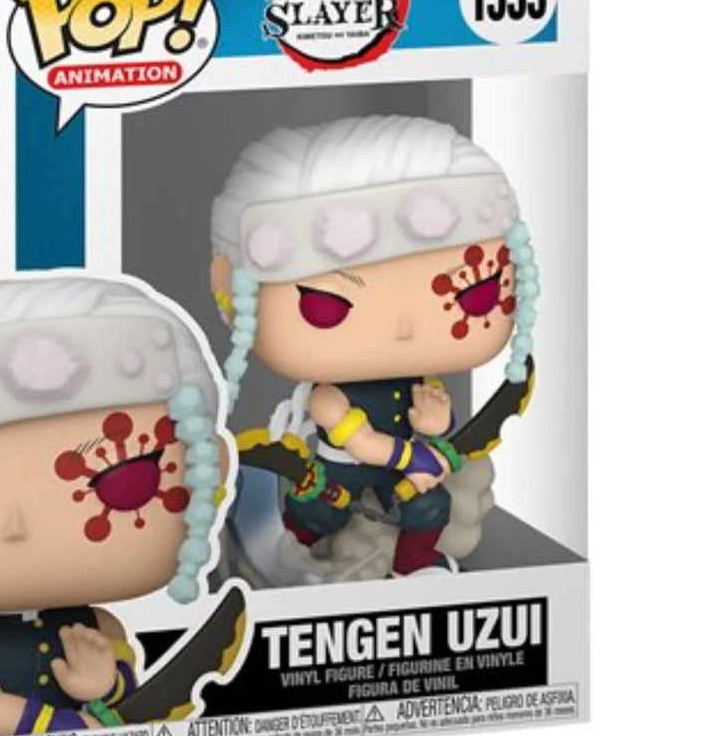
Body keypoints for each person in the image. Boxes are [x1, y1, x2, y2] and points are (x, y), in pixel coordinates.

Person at [210, 115, 538, 577]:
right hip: (341, 473)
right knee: (316, 512)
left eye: (472, 293)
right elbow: (360, 441)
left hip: (400, 472)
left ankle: (414, 565)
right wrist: (414, 457)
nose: (404, 328)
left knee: (430, 507)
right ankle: (288, 555)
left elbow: (435, 421)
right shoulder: (327, 394)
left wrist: (438, 422)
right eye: (329, 305)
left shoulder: (418, 377)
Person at [0, 274, 232, 736]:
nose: (15, 525)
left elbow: (124, 691)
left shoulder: (97, 625)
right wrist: (70, 726)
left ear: (208, 469)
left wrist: (105, 684)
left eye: (123, 481)